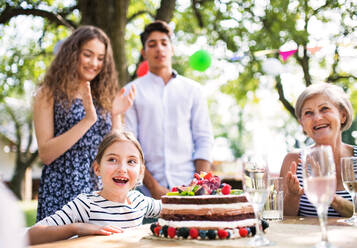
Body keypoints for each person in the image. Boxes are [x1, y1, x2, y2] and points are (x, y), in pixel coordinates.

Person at [33, 25, 135, 221]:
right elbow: (46, 154)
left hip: (99, 192)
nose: (94, 63)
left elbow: (115, 150)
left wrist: (115, 114)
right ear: (72, 54)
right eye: (88, 55)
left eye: (100, 58)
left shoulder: (104, 95)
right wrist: (88, 120)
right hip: (62, 190)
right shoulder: (48, 94)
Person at [124, 20, 214, 198]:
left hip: (191, 188)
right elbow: (130, 145)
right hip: (144, 192)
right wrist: (153, 188)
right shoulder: (131, 91)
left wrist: (198, 186)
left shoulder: (193, 90)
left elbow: (203, 139)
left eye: (164, 43)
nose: (159, 48)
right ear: (144, 53)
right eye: (152, 44)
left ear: (172, 49)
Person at [28, 131, 161, 245]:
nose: (122, 169)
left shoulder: (140, 202)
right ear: (97, 168)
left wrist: (180, 193)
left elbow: (175, 208)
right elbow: (32, 235)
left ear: (140, 172)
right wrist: (76, 228)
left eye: (131, 161)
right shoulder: (86, 205)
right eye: (112, 160)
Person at [280, 83, 354, 217]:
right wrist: (292, 195)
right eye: (308, 113)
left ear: (342, 115)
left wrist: (328, 195)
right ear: (302, 124)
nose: (317, 118)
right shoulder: (293, 161)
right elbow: (282, 219)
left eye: (324, 109)